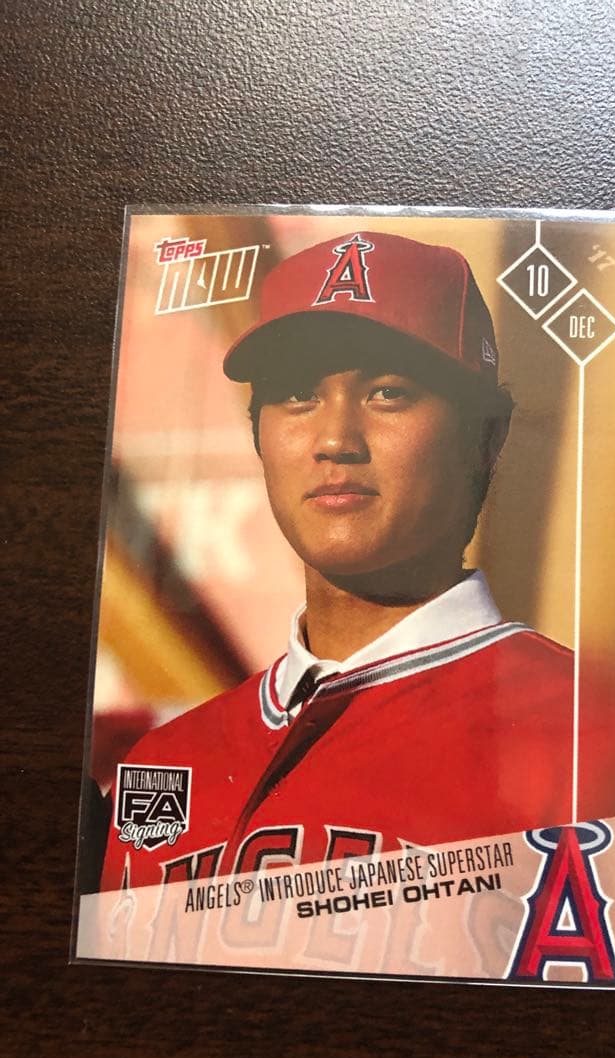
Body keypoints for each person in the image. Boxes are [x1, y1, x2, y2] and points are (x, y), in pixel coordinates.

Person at [99, 230, 580, 892]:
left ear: (487, 437)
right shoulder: (164, 762)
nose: (334, 440)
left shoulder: (584, 737)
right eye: (297, 394)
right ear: (257, 432)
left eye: (388, 392)